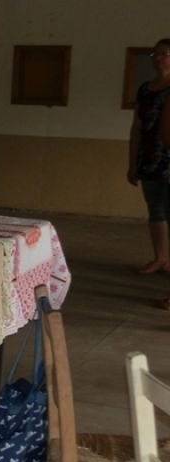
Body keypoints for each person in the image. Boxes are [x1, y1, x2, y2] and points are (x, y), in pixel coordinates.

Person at [128, 38, 170, 281]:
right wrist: (132, 162)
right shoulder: (145, 89)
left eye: (164, 54)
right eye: (155, 54)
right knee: (155, 208)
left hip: (168, 157)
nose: (158, 59)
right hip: (150, 157)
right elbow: (137, 126)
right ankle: (161, 257)